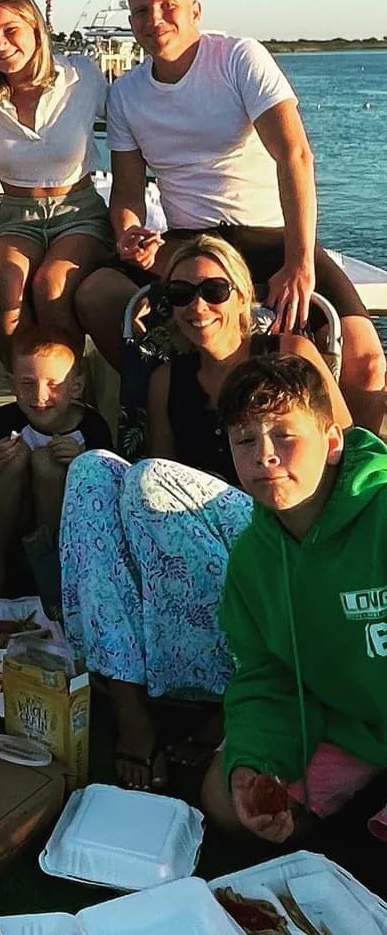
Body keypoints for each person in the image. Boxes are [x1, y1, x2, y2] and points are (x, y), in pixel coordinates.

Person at [59, 235, 350, 791]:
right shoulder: (170, 379)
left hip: (278, 524)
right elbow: (164, 490)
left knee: (146, 477)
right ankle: (131, 710)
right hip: (193, 530)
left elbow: (343, 445)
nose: (199, 306)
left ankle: (221, 692)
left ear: (244, 297)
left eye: (215, 290)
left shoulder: (287, 357)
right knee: (94, 471)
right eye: (182, 293)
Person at [73, 0, 385, 430]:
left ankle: (362, 490)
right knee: (96, 293)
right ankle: (185, 398)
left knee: (365, 360)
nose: (153, 20)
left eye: (166, 5)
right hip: (190, 242)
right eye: (140, 11)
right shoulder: (127, 94)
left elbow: (295, 156)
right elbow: (128, 194)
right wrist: (130, 234)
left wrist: (299, 263)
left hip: (269, 236)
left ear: (196, 10)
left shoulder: (239, 57)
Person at [203, 353, 387, 843]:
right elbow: (268, 676)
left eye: (285, 435)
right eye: (245, 440)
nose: (265, 455)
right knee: (230, 802)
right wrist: (253, 762)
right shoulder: (250, 561)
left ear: (331, 442)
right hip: (349, 724)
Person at [0, 0, 113, 366]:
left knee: (52, 286)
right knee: (5, 298)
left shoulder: (81, 77)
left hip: (77, 211)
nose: (0, 45)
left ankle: (70, 400)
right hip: (16, 215)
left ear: (36, 29)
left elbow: (137, 126)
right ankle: (33, 400)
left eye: (10, 31)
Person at [0, 327, 112, 598]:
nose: (40, 395)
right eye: (27, 383)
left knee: (48, 462)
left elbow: (106, 502)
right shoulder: (3, 421)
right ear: (11, 384)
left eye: (54, 384)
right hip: (8, 527)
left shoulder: (92, 428)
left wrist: (82, 461)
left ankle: (52, 577)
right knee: (13, 457)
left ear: (76, 387)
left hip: (69, 537)